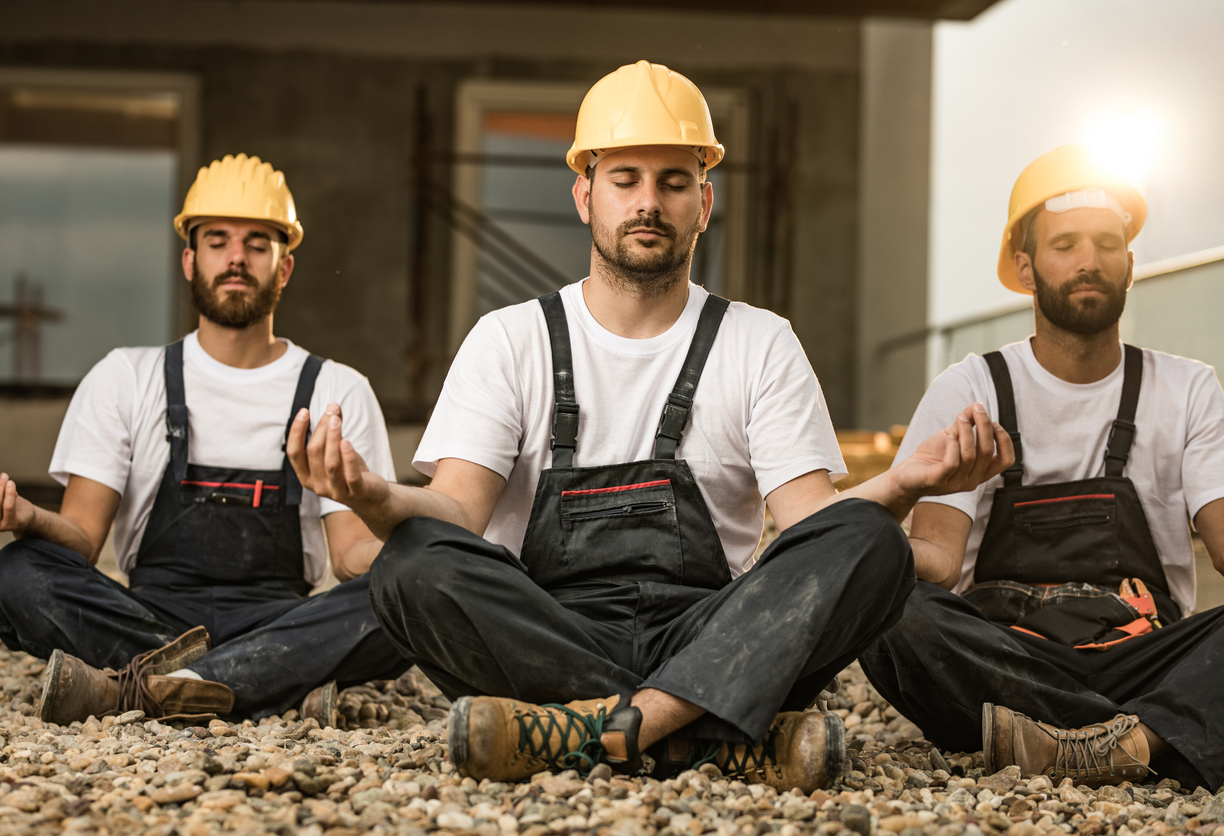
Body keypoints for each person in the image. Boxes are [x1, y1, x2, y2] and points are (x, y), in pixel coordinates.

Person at [289, 60, 1009, 790]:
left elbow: (810, 528)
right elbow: (456, 513)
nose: (648, 202)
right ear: (584, 195)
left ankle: (592, 732)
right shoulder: (510, 339)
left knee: (873, 541)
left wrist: (905, 484)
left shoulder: (758, 341)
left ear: (704, 201)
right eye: (625, 178)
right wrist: (371, 497)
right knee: (413, 561)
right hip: (549, 631)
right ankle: (708, 733)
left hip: (710, 632)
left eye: (673, 181)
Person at [0, 153, 410, 725]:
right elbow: (81, 539)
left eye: (258, 243)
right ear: (190, 260)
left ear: (284, 268)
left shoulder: (337, 389)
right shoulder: (126, 377)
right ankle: (270, 684)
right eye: (218, 241)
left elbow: (352, 556)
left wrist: (421, 551)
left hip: (278, 620)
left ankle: (140, 687)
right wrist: (24, 517)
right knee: (16, 574)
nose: (236, 257)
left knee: (408, 598)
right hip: (149, 613)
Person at [860, 144, 1224, 790]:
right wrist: (890, 525)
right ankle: (1151, 737)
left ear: (1132, 265)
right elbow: (938, 566)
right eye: (1066, 244)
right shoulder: (969, 390)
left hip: (1144, 658)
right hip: (1008, 660)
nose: (1089, 261)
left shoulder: (1190, 389)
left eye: (1107, 243)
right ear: (1026, 268)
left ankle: (1084, 744)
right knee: (893, 612)